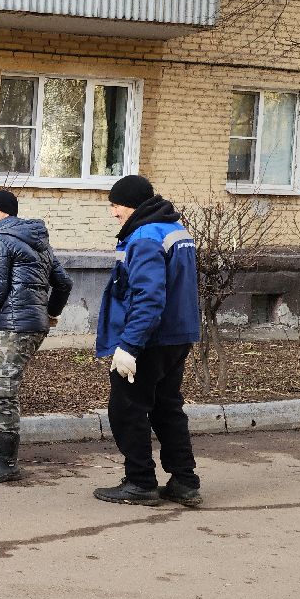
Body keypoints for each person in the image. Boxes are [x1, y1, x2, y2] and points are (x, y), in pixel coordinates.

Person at [93, 174, 203, 507]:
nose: (114, 213)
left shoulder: (143, 237)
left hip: (148, 340)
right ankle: (185, 482)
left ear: (133, 204)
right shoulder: (175, 231)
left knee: (126, 409)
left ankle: (140, 482)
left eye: (116, 206)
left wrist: (129, 346)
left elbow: (148, 297)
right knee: (168, 408)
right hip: (177, 335)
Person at [0, 190, 72, 483]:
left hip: (17, 325)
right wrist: (50, 313)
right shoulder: (38, 241)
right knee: (2, 387)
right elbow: (64, 282)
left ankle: (5, 463)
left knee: (4, 390)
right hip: (32, 325)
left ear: (2, 212)